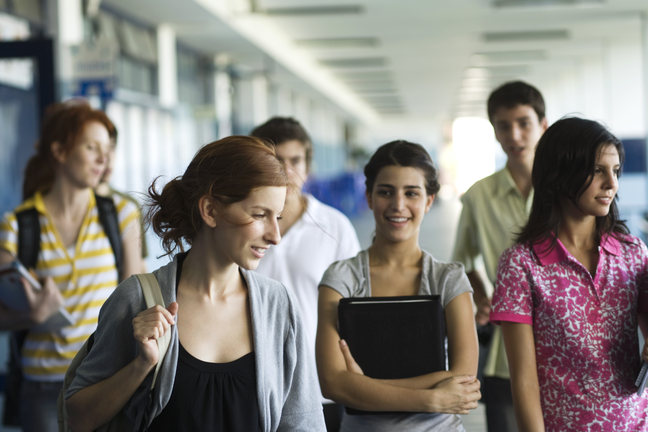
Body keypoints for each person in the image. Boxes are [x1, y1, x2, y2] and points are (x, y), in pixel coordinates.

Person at [65, 136, 327, 432]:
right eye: (259, 215)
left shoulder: (278, 305)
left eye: (277, 217)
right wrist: (141, 366)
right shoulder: (138, 299)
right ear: (211, 210)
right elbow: (77, 418)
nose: (275, 235)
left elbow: (303, 424)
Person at [490, 117, 648, 431]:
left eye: (615, 171)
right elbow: (524, 381)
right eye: (597, 170)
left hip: (637, 423)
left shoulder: (633, 253)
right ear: (559, 174)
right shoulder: (522, 264)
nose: (611, 184)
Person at [0, 100, 145, 432]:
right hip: (42, 386)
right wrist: (31, 316)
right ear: (61, 152)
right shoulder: (17, 226)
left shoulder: (123, 214)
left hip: (103, 377)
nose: (103, 158)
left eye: (107, 148)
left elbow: (136, 298)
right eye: (91, 147)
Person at [316, 140, 481, 432]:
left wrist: (362, 386)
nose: (398, 205)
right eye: (385, 192)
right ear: (368, 197)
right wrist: (432, 399)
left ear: (429, 201)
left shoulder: (449, 280)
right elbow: (332, 383)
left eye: (411, 193)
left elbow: (463, 381)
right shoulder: (341, 279)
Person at [250, 117, 361, 431]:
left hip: (321, 386)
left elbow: (353, 310)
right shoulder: (241, 228)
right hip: (254, 383)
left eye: (294, 161)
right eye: (275, 161)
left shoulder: (335, 227)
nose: (285, 171)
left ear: (308, 166)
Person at [452, 81, 548, 432]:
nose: (515, 134)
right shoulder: (479, 197)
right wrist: (481, 294)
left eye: (524, 122)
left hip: (566, 342)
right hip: (507, 350)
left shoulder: (565, 191)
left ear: (543, 125)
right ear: (494, 132)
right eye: (504, 125)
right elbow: (461, 260)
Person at [95, 126, 148, 263]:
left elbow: (140, 268)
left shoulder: (127, 206)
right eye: (93, 148)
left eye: (111, 147)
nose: (106, 157)